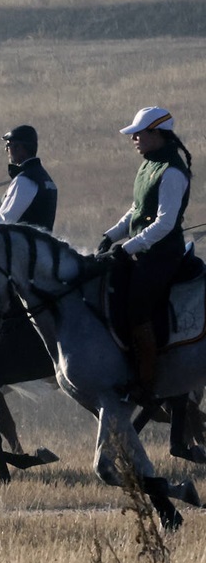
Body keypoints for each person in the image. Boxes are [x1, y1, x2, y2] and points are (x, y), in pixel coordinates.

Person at [95, 107, 193, 403]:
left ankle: (146, 381)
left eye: (139, 133)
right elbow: (137, 211)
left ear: (157, 133)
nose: (134, 138)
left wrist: (127, 248)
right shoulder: (149, 164)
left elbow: (164, 224)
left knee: (137, 307)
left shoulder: (173, 172)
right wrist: (111, 235)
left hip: (162, 255)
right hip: (141, 251)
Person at [0, 125, 57, 231]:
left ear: (19, 148)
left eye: (8, 145)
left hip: (23, 245)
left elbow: (5, 220)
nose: (6, 150)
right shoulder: (45, 179)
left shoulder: (25, 180)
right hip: (42, 244)